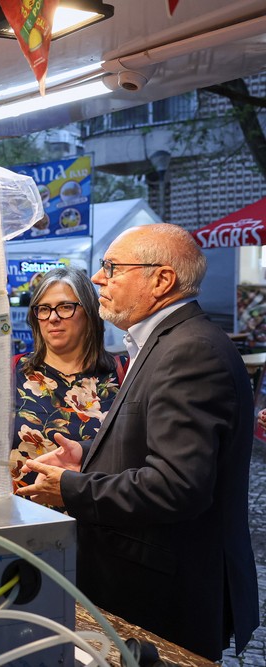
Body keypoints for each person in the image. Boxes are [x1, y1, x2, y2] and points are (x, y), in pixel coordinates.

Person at [17, 223, 258, 661]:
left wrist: (71, 488)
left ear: (161, 280)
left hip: (162, 593)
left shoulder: (190, 350)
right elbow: (151, 444)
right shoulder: (166, 342)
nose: (98, 278)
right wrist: (88, 456)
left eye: (112, 268)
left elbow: (177, 486)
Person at [10, 267, 127, 491]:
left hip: (98, 506)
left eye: (65, 307)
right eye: (44, 309)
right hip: (22, 509)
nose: (53, 317)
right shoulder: (12, 372)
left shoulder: (124, 372)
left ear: (90, 313)